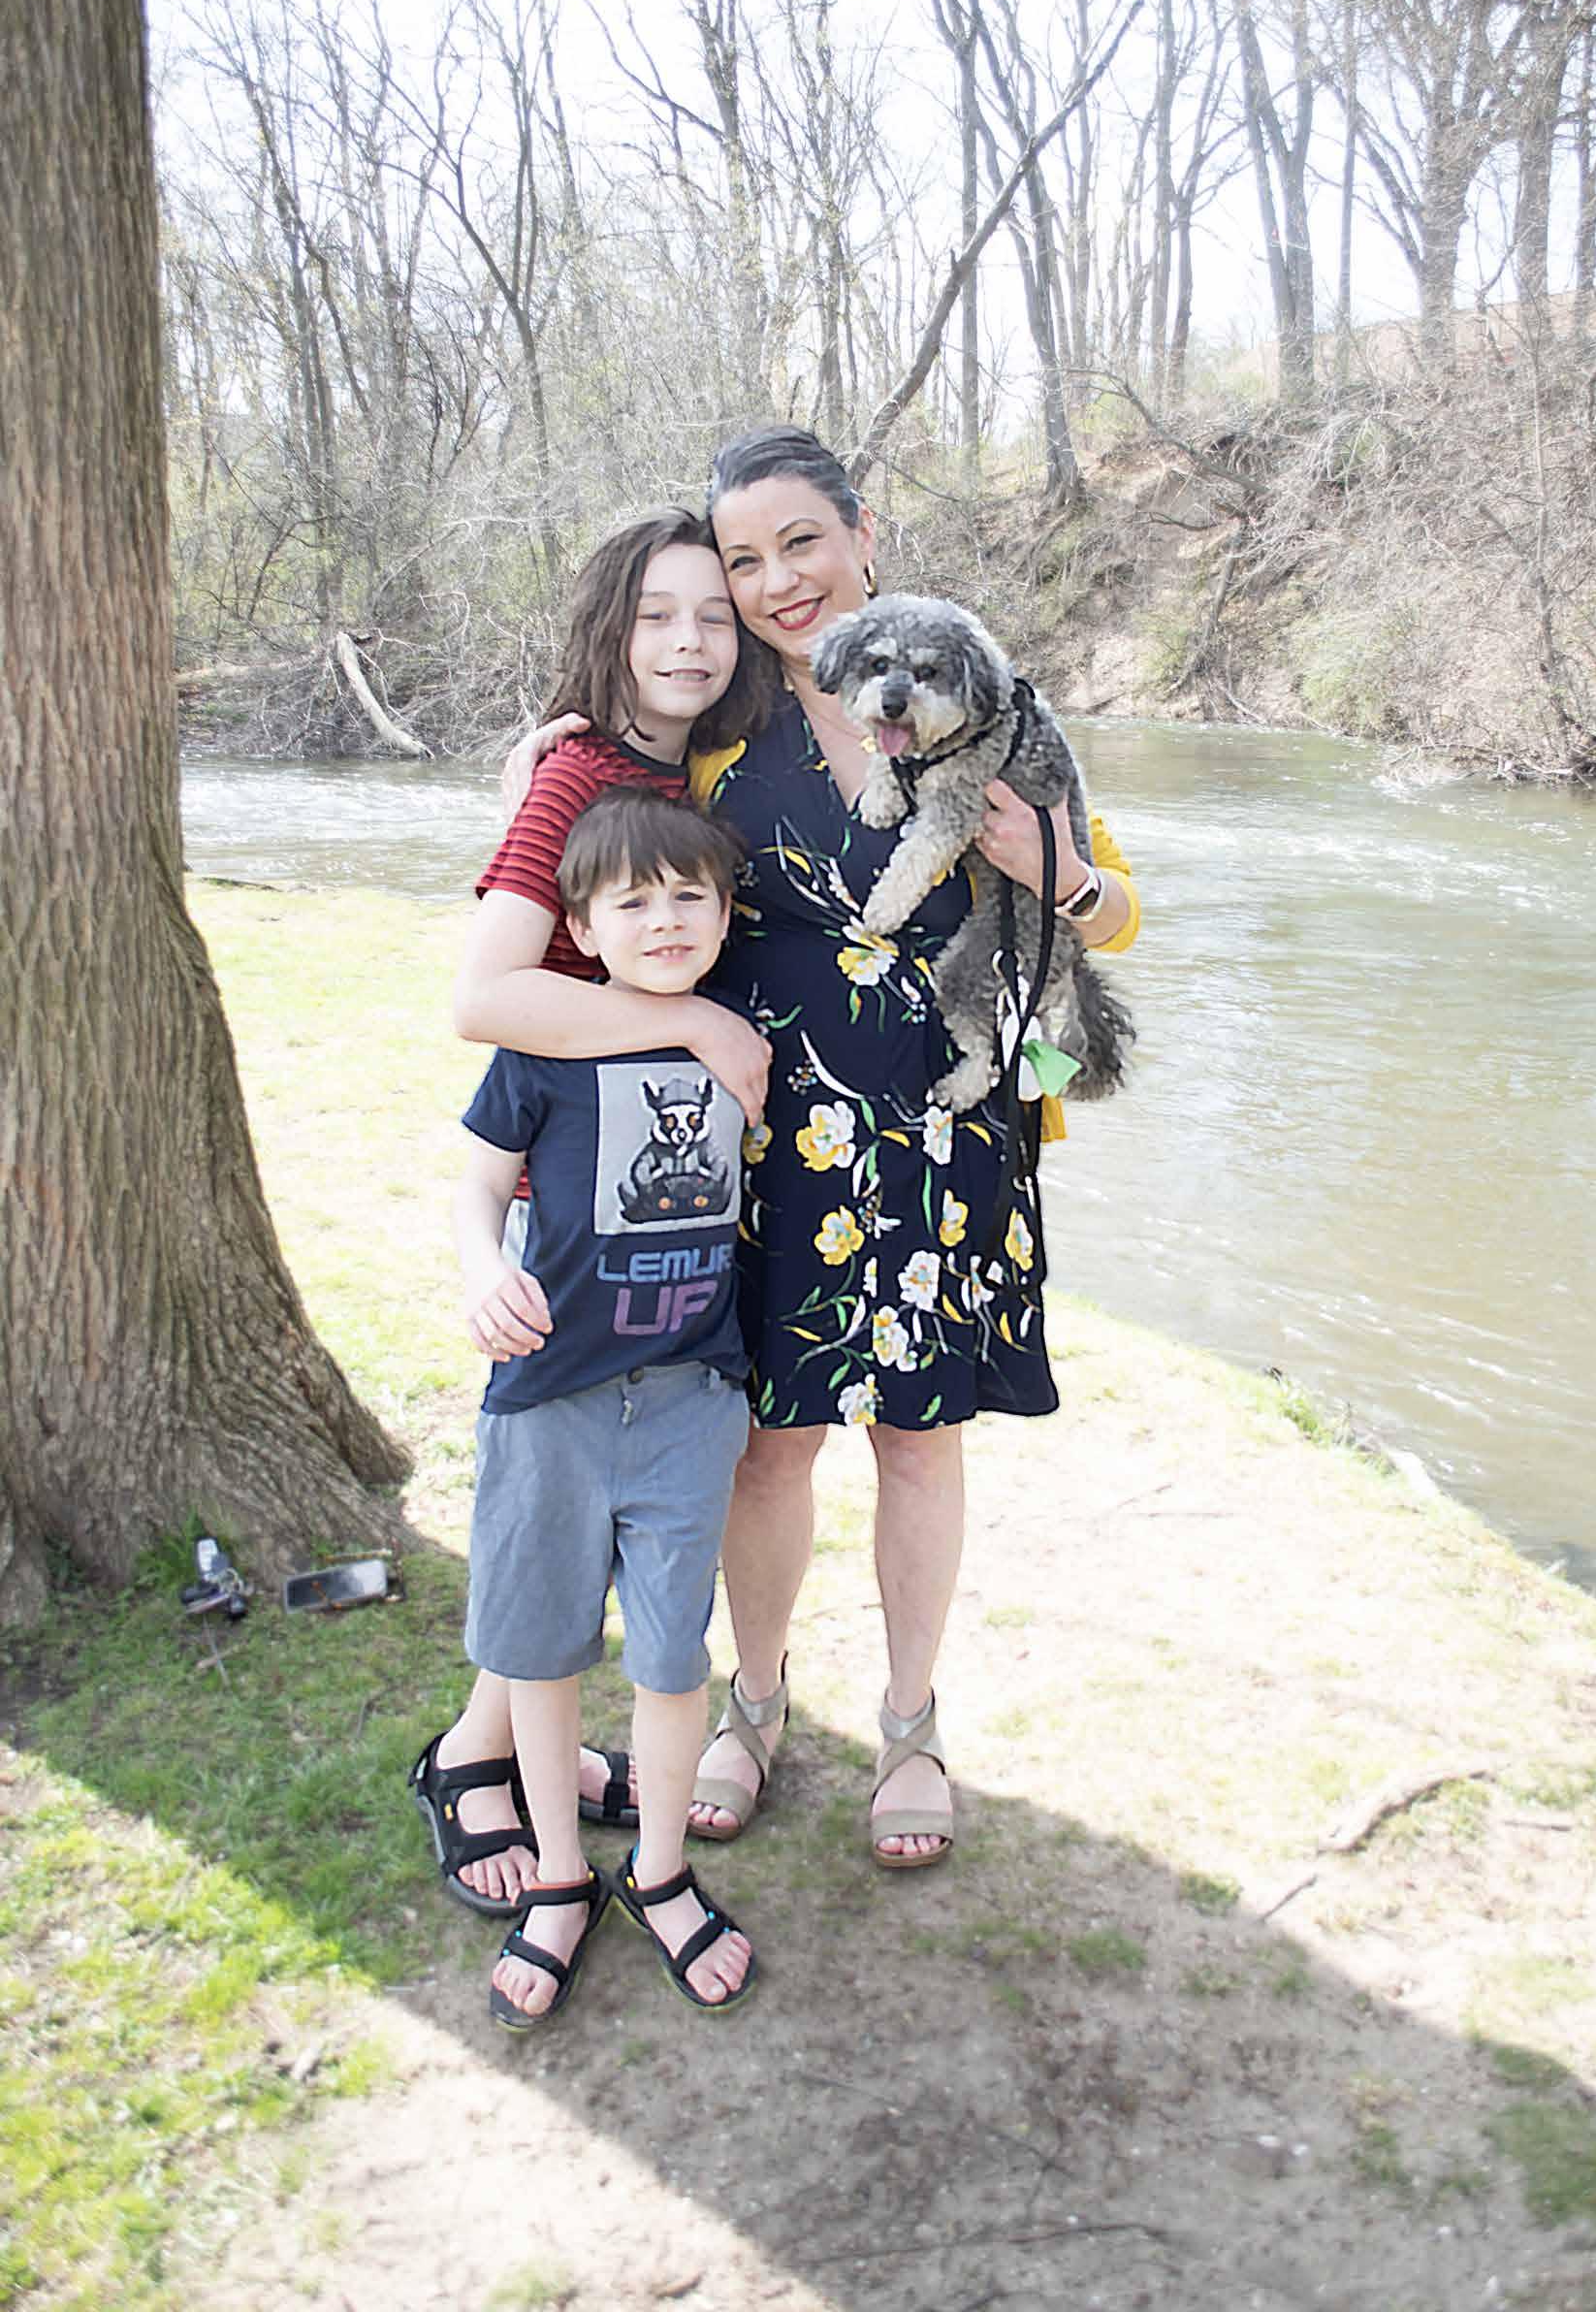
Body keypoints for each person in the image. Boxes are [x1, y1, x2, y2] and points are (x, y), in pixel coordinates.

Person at [502, 430, 1140, 1872]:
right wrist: (551, 757)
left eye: (802, 542)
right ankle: (756, 1701)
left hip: (949, 1129)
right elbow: (606, 836)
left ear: (863, 535)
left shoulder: (980, 696)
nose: (778, 580)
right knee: (768, 1445)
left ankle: (911, 1723)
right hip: (771, 1139)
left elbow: (1114, 911)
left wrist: (1063, 876)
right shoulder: (718, 731)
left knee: (919, 1437)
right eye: (745, 559)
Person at [408, 506, 776, 1922]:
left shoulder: (678, 769)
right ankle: (474, 1757)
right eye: (656, 614)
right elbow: (485, 996)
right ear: (611, 626)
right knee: (549, 1518)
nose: (688, 641)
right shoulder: (580, 770)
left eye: (713, 615)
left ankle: (513, 1747)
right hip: (569, 1193)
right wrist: (688, 1024)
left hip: (656, 1213)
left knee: (588, 1526)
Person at [451, 787, 758, 2025]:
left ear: (727, 915)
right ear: (580, 927)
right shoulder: (542, 1047)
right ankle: (559, 1877)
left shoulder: (741, 1046)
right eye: (632, 901)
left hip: (691, 1401)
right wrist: (481, 1268)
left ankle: (662, 1871)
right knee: (539, 1650)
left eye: (690, 895)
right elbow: (479, 1189)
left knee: (674, 1655)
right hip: (550, 1398)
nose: (665, 919)